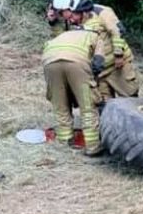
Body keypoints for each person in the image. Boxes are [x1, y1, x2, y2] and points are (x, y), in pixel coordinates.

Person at [50, 0, 139, 100]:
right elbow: (65, 41)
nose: (61, 15)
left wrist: (118, 54)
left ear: (70, 6)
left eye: (61, 12)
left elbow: (117, 31)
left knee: (130, 97)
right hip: (99, 71)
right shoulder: (71, 21)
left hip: (117, 65)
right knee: (104, 106)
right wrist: (53, 23)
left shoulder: (100, 12)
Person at [41, 28, 106, 156]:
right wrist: (93, 85)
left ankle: (64, 144)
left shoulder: (64, 35)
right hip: (77, 64)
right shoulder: (96, 36)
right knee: (87, 106)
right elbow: (98, 63)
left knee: (60, 106)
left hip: (49, 62)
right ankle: (93, 147)